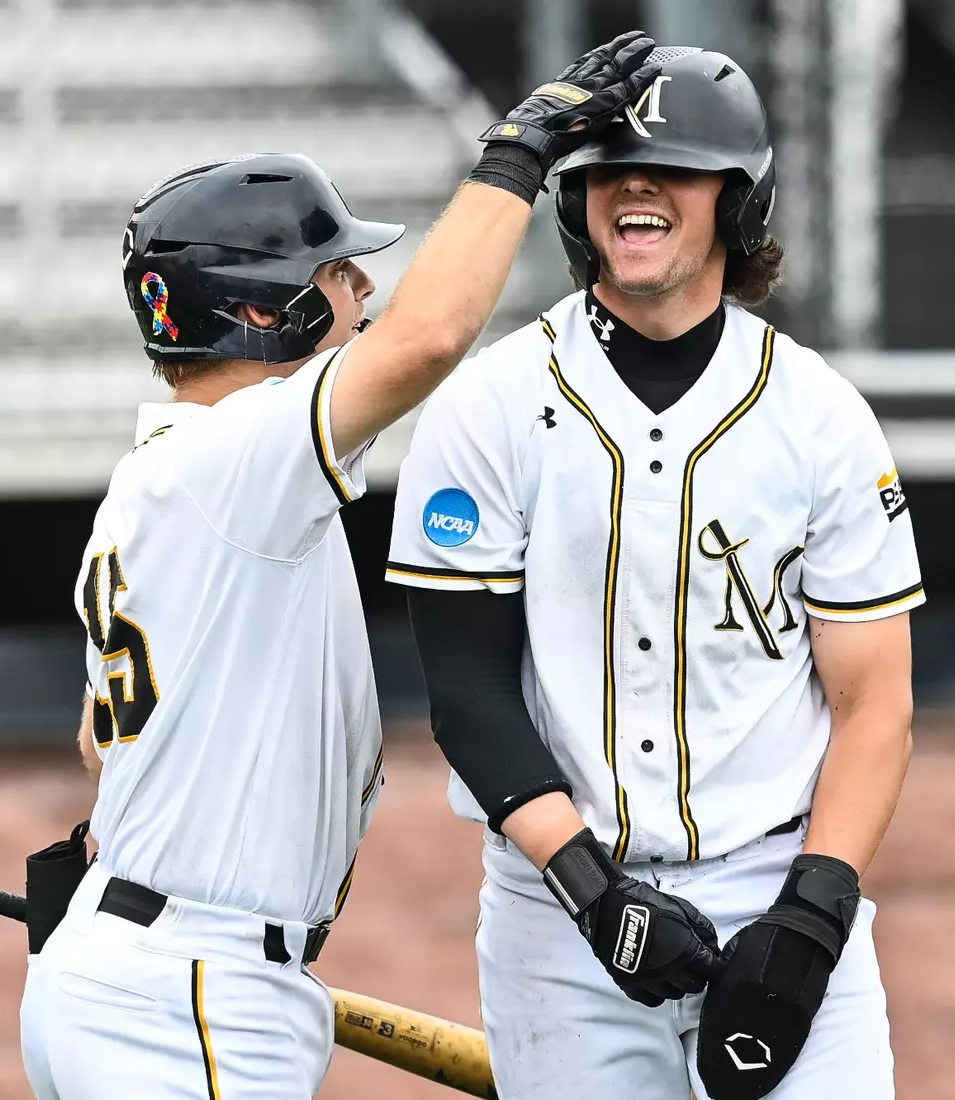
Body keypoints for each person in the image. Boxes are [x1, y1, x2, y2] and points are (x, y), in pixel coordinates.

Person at [18, 31, 661, 1100]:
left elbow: (101, 741)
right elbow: (425, 339)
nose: (364, 289)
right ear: (268, 312)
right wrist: (519, 148)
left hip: (144, 970)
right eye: (338, 272)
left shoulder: (167, 480)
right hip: (191, 992)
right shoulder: (236, 462)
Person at [388, 46, 922, 1100]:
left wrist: (811, 917)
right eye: (605, 166)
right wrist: (591, 888)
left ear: (738, 200)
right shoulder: (489, 405)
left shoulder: (816, 414)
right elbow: (468, 697)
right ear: (573, 199)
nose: (634, 185)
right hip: (559, 909)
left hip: (779, 883)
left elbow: (875, 703)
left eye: (672, 166)